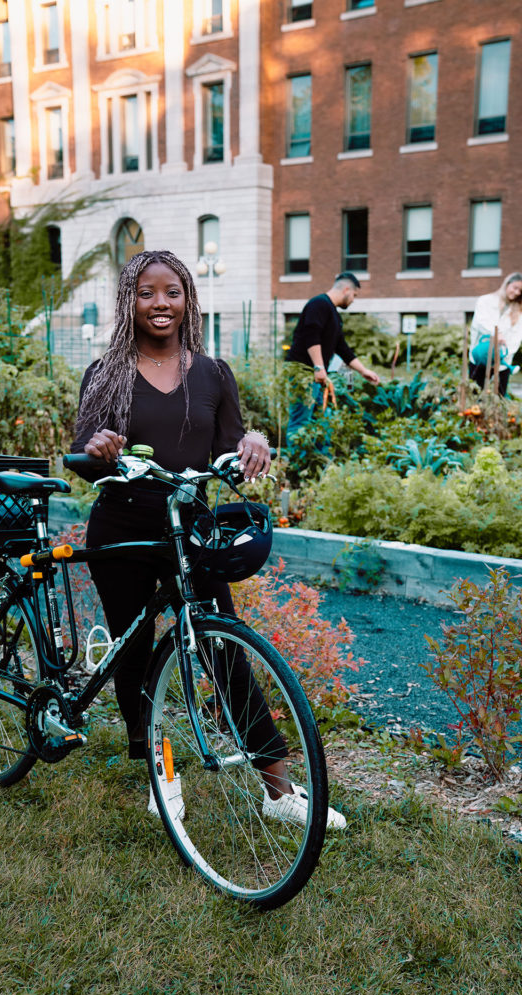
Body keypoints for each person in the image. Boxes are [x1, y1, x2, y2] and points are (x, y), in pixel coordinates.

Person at [71, 249, 346, 829]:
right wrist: (98, 450)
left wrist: (254, 444)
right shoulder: (106, 373)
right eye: (147, 292)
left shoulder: (213, 373)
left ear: (187, 298)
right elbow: (84, 455)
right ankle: (160, 771)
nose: (160, 303)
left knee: (226, 649)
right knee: (136, 651)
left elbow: (232, 445)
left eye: (172, 291)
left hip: (190, 528)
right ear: (130, 300)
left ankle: (278, 792)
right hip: (121, 529)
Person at [284, 272, 380, 444]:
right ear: (346, 289)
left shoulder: (333, 313)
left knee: (319, 421)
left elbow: (342, 348)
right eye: (354, 295)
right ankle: (296, 466)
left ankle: (316, 465)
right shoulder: (319, 304)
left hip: (316, 375)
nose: (353, 300)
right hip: (303, 373)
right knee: (301, 421)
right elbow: (311, 335)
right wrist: (319, 367)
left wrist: (364, 371)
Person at [469, 272, 522, 396]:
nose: (517, 293)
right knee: (475, 394)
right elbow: (481, 323)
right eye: (515, 288)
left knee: (498, 398)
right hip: (481, 356)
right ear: (507, 284)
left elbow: (517, 336)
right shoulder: (485, 301)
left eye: (520, 290)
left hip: (503, 362)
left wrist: (503, 354)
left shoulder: (519, 311)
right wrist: (496, 334)